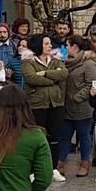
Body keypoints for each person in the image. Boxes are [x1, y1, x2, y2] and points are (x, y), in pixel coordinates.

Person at [21, 34, 68, 182]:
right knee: (37, 137)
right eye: (46, 44)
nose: (50, 46)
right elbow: (31, 78)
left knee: (54, 137)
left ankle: (53, 168)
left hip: (56, 103)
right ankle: (34, 170)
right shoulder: (28, 61)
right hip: (37, 104)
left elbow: (64, 73)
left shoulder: (56, 60)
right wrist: (53, 81)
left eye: (49, 44)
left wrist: (46, 73)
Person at [59, 36, 96, 178]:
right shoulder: (66, 63)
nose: (66, 48)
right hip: (66, 107)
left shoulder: (88, 63)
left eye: (67, 45)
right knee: (64, 137)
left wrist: (77, 97)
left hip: (82, 108)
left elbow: (92, 84)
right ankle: (60, 163)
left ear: (75, 46)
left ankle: (84, 164)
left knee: (84, 136)